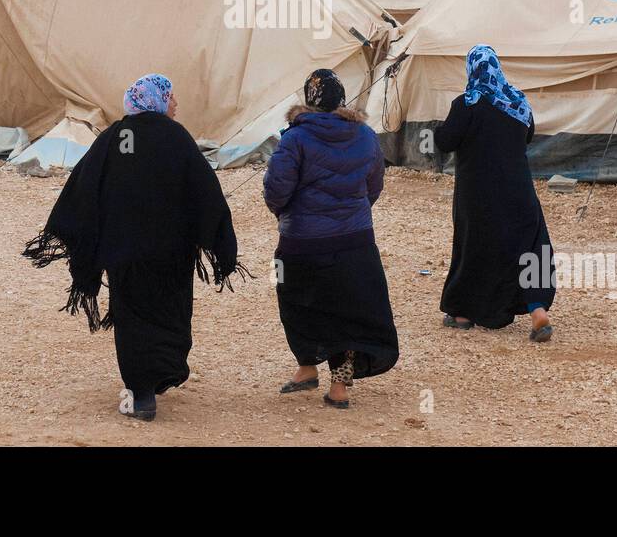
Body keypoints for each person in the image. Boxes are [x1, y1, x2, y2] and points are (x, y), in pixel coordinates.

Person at [23, 74, 246, 421]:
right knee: (170, 310)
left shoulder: (115, 137)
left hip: (125, 253)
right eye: (171, 98)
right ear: (158, 100)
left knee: (133, 316)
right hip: (171, 253)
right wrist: (218, 240)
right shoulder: (176, 138)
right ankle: (154, 383)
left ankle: (143, 390)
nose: (176, 104)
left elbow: (83, 188)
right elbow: (205, 190)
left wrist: (83, 239)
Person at [263, 69, 399, 409]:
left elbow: (276, 188)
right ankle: (339, 387)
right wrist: (353, 211)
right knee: (347, 308)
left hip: (301, 242)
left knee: (296, 301)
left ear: (309, 100)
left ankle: (307, 366)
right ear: (341, 99)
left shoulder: (294, 139)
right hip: (355, 241)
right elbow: (374, 185)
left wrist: (285, 214)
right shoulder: (365, 136)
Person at [433, 45, 556, 341]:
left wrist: (439, 126)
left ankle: (463, 313)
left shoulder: (466, 104)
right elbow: (527, 137)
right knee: (532, 246)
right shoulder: (518, 103)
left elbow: (446, 141)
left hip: (478, 196)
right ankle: (538, 308)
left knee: (475, 248)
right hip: (519, 192)